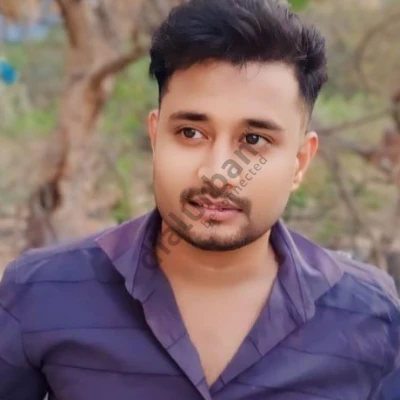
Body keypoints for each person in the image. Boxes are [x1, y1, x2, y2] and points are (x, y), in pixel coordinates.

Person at [0, 0, 399, 399]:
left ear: (300, 162)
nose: (216, 171)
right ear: (155, 138)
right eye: (191, 133)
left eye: (254, 140)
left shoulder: (369, 314)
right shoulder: (41, 292)